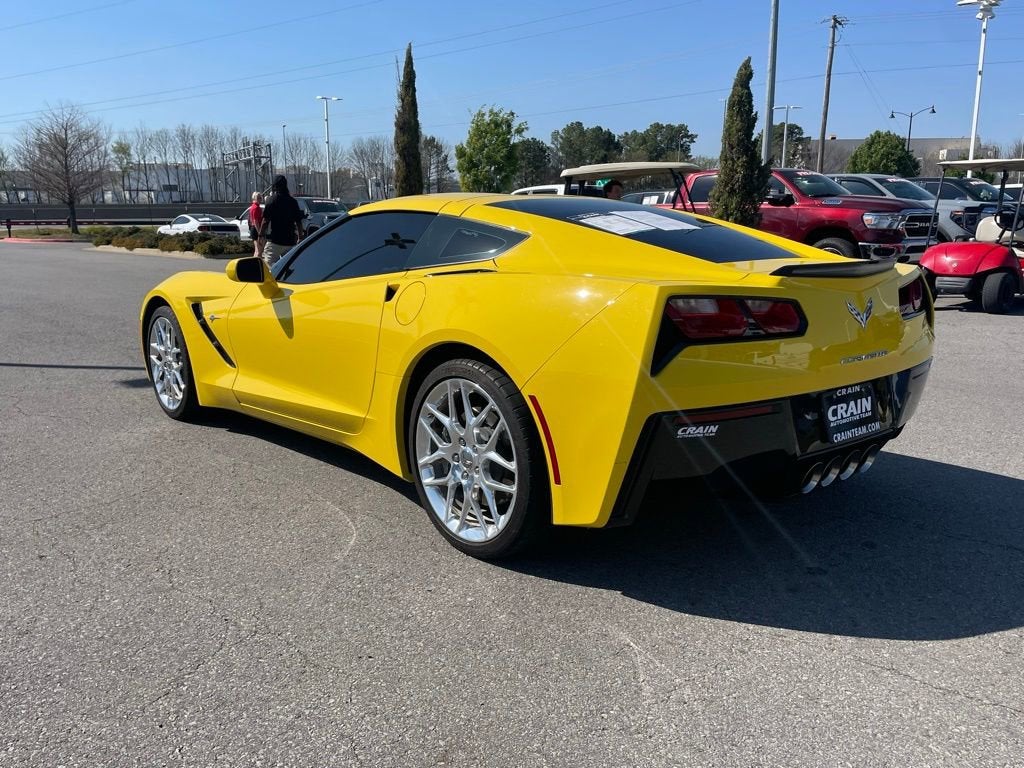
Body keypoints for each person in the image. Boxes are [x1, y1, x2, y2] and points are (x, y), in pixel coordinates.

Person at [259, 175, 304, 267]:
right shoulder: (293, 202)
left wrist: (260, 234)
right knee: (289, 268)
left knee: (269, 268)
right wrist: (300, 237)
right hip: (290, 241)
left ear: (275, 186)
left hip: (275, 240)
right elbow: (298, 221)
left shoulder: (271, 200)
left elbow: (265, 221)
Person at [247, 192, 265, 258]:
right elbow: (256, 221)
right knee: (259, 251)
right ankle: (256, 265)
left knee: (257, 250)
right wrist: (260, 233)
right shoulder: (256, 208)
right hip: (256, 229)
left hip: (254, 229)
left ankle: (254, 264)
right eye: (258, 198)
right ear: (254, 198)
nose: (260, 199)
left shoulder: (253, 207)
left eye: (260, 198)